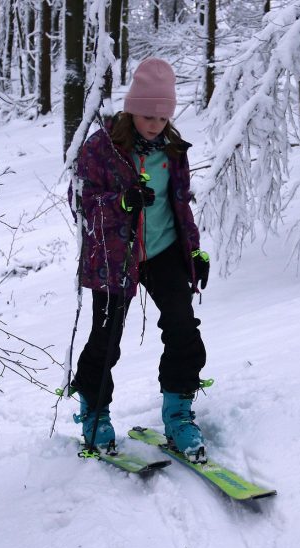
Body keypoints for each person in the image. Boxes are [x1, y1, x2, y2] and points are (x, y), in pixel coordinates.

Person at [69, 58, 210, 463]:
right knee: (106, 337)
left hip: (163, 251)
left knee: (183, 326)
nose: (155, 124)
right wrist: (122, 202)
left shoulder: (172, 151)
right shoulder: (103, 148)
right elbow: (80, 200)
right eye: (148, 115)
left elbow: (180, 205)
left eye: (163, 117)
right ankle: (94, 412)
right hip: (115, 256)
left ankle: (178, 413)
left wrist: (195, 252)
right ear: (132, 109)